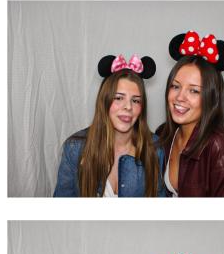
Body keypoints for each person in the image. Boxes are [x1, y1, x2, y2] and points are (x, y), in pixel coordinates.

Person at [158, 32, 224, 197]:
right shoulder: (165, 134)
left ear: (211, 97)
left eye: (194, 91)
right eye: (175, 86)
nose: (180, 97)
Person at [54, 52, 165, 197]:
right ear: (104, 101)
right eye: (118, 98)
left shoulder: (155, 148)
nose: (128, 107)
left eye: (136, 100)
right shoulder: (75, 148)